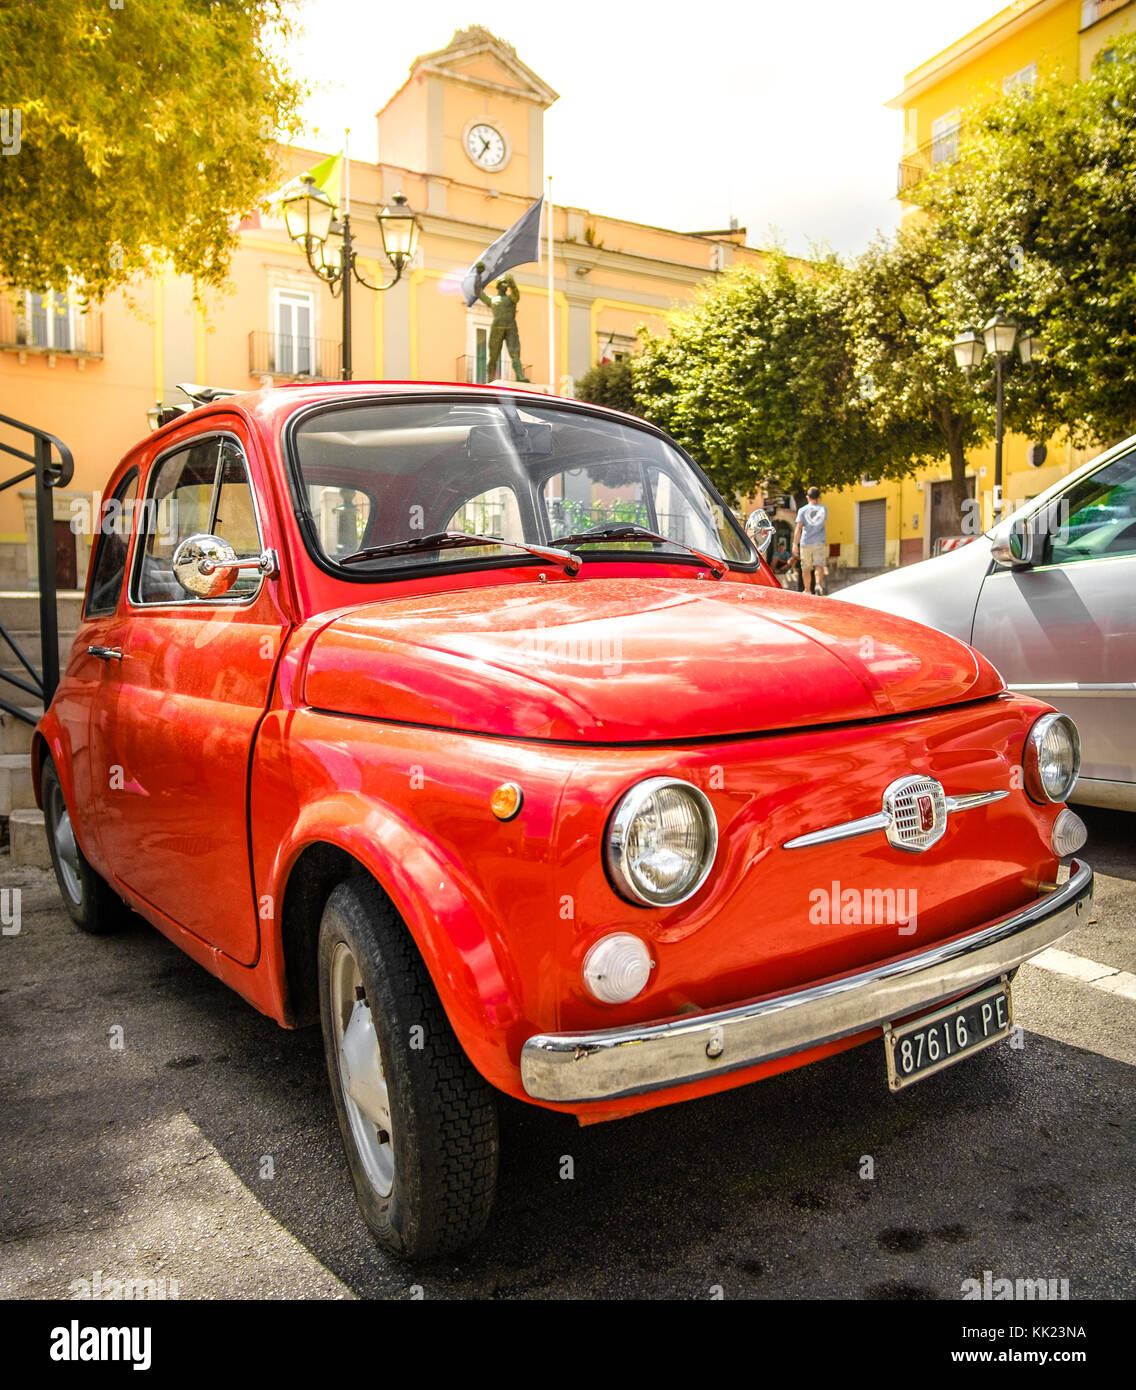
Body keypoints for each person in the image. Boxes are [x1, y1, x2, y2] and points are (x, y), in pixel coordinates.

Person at [476, 271, 528, 382]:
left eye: (506, 283)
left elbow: (516, 294)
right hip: (497, 328)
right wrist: (478, 276)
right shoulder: (493, 300)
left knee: (515, 353)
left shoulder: (511, 299)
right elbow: (478, 292)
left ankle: (520, 376)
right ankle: (490, 379)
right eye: (503, 283)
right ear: (498, 286)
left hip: (511, 327)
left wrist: (511, 282)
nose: (505, 286)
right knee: (493, 356)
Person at [792, 486, 829, 595]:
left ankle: (807, 590)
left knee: (806, 568)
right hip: (819, 542)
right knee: (819, 565)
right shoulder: (823, 509)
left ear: (808, 497)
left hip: (806, 542)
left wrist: (795, 543)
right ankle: (818, 585)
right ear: (819, 497)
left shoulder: (802, 510)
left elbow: (799, 528)